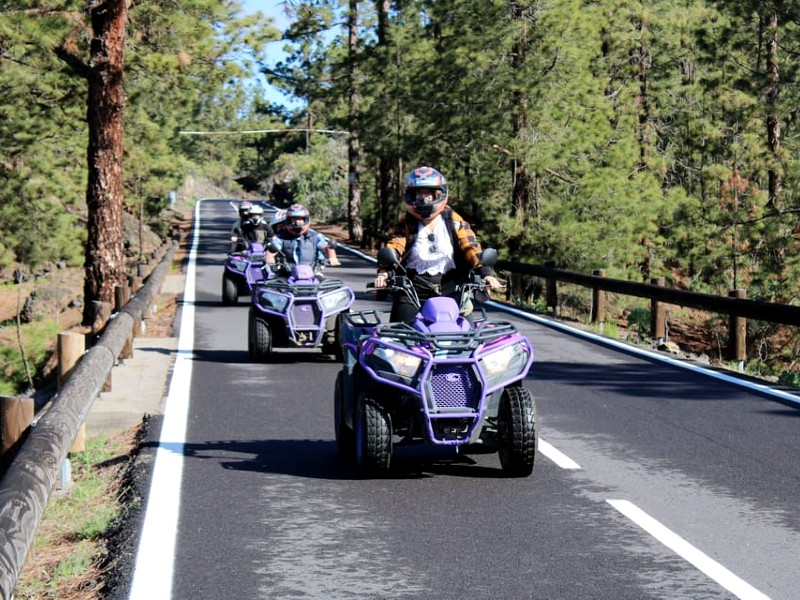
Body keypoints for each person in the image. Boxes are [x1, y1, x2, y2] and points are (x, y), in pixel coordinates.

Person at [373, 166, 503, 323]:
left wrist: (486, 273)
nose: (423, 198)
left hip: (451, 289)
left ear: (438, 194)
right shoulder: (406, 223)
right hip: (412, 290)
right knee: (399, 334)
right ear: (411, 195)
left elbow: (471, 247)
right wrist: (384, 272)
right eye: (419, 193)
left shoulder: (454, 220)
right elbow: (395, 246)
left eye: (428, 193)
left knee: (468, 334)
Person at [267, 203, 340, 273]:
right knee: (271, 284)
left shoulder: (315, 237)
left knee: (327, 284)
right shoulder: (281, 237)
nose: (297, 223)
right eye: (293, 220)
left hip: (311, 274)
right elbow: (273, 248)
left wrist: (332, 257)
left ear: (306, 220)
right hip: (286, 274)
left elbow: (325, 247)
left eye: (300, 220)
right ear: (288, 221)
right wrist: (270, 259)